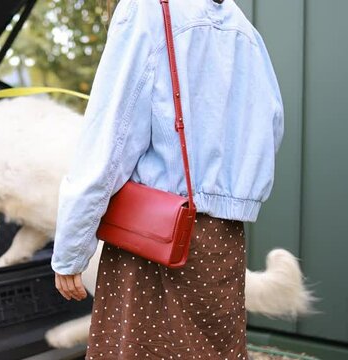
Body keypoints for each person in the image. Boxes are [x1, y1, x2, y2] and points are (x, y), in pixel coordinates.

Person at [51, 0, 284, 358]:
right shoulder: (242, 27)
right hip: (224, 242)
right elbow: (271, 128)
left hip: (153, 242)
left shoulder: (147, 10)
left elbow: (109, 141)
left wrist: (71, 250)